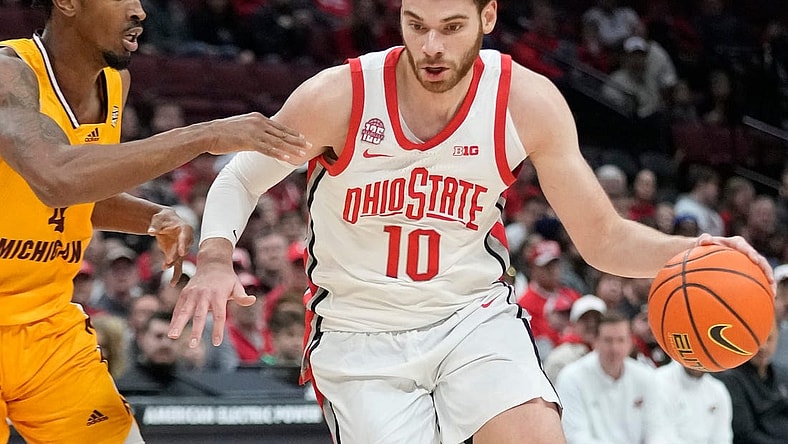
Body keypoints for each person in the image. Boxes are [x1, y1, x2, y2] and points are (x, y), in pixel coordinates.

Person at [169, 0, 773, 442]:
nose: (431, 46)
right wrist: (217, 255)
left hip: (470, 317)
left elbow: (603, 237)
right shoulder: (341, 96)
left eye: (451, 27)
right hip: (360, 331)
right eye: (417, 26)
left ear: (487, 17)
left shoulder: (525, 102)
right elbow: (243, 174)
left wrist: (694, 252)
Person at [0, 0, 310, 441]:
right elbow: (55, 178)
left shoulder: (115, 82)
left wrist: (151, 217)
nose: (140, 10)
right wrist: (206, 134)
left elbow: (80, 192)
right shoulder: (8, 73)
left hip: (47, 328)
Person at [555, 311, 672, 443]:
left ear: (630, 343)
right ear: (596, 342)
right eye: (608, 340)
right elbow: (575, 436)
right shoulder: (571, 378)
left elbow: (657, 429)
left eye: (620, 340)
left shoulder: (646, 376)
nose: (614, 348)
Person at [713, 319, 788, 443]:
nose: (763, 347)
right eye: (757, 341)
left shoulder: (782, 375)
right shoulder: (731, 379)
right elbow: (745, 434)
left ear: (777, 338)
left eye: (769, 339)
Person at [654, 360, 733, 444]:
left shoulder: (718, 390)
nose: (697, 364)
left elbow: (722, 437)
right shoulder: (659, 382)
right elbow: (661, 435)